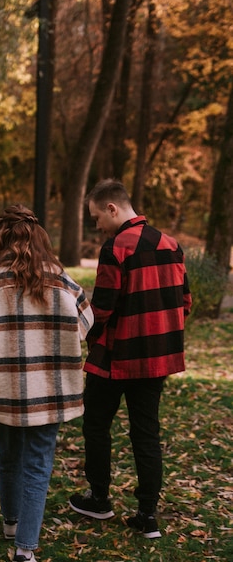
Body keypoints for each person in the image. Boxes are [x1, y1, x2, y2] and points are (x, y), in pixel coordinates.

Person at [0, 204, 94, 562]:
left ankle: (11, 523)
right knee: (38, 465)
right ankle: (24, 554)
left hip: (4, 390)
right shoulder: (62, 281)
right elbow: (87, 323)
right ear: (40, 239)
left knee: (9, 456)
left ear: (0, 240)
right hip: (50, 391)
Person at [70, 179, 192, 539]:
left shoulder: (116, 248)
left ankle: (99, 498)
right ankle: (148, 514)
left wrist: (86, 335)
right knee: (146, 432)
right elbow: (184, 302)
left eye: (96, 218)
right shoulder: (172, 245)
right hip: (158, 359)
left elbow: (103, 307)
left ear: (112, 208)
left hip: (117, 358)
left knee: (95, 425)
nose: (97, 226)